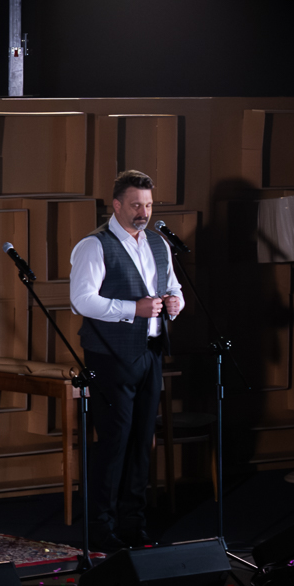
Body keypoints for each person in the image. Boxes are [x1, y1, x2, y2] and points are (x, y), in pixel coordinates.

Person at [68, 169, 184, 551]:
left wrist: (175, 303)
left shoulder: (158, 243)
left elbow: (173, 287)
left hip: (150, 352)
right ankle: (102, 528)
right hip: (110, 355)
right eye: (136, 205)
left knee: (141, 441)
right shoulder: (94, 245)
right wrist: (132, 309)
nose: (143, 212)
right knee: (114, 442)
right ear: (116, 205)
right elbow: (81, 301)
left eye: (148, 205)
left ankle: (134, 523)